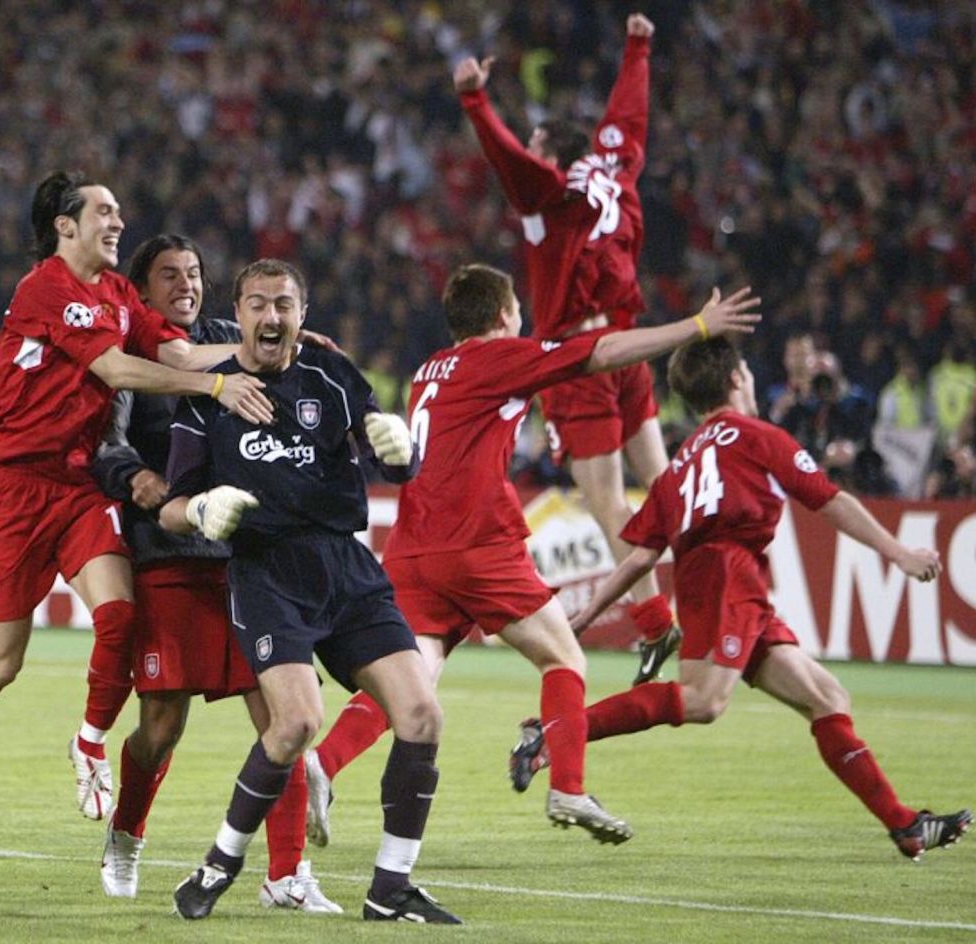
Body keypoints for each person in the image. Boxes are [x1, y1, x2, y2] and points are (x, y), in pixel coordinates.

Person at [301, 264, 760, 847]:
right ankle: (568, 785)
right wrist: (696, 325)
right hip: (478, 543)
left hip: (415, 548)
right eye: (517, 308)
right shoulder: (497, 356)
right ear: (502, 316)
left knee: (408, 683)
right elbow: (602, 350)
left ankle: (323, 763)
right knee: (564, 659)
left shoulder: (427, 373)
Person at [0, 170, 275, 823]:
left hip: (76, 486)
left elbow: (179, 354)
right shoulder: (47, 289)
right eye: (104, 211)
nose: (118, 221)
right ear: (66, 226)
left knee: (119, 617)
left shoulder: (120, 292)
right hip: (18, 488)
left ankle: (89, 742)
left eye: (119, 209)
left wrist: (267, 351)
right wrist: (216, 388)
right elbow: (117, 369)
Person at [535, 335, 970, 862]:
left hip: (724, 583)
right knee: (703, 702)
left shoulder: (678, 466)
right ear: (737, 379)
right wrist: (897, 552)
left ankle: (905, 826)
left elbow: (639, 557)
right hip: (729, 575)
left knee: (827, 698)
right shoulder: (757, 436)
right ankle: (554, 733)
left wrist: (584, 615)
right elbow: (828, 500)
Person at [159, 258, 462, 924]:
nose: (272, 318)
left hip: (346, 568)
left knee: (423, 716)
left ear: (304, 311)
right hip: (267, 571)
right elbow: (170, 507)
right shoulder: (208, 395)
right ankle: (218, 865)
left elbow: (392, 459)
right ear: (237, 312)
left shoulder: (335, 377)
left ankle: (391, 889)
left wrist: (402, 450)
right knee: (297, 722)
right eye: (259, 304)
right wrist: (203, 510)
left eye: (285, 305)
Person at [91, 234, 338, 911]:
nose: (185, 285)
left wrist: (310, 348)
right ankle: (126, 833)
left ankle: (285, 877)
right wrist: (136, 476)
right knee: (163, 726)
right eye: (169, 276)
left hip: (244, 555)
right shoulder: (126, 352)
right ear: (141, 293)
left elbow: (284, 358)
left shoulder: (229, 337)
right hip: (168, 550)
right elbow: (102, 441)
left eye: (195, 273)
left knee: (283, 715)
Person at [454, 13, 682, 686]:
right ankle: (709, 588)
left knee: (608, 502)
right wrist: (638, 45)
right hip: (628, 345)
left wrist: (475, 100)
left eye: (536, 144)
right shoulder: (614, 172)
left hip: (581, 358)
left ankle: (654, 623)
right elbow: (628, 120)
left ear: (551, 153)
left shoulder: (550, 195)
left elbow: (511, 164)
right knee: (662, 483)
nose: (528, 149)